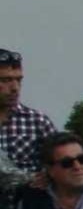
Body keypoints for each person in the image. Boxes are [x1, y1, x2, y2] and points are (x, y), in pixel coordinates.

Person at [0, 46, 59, 178]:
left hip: (26, 196)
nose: (15, 88)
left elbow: (61, 162)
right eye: (6, 80)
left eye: (18, 80)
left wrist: (46, 177)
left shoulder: (37, 121)